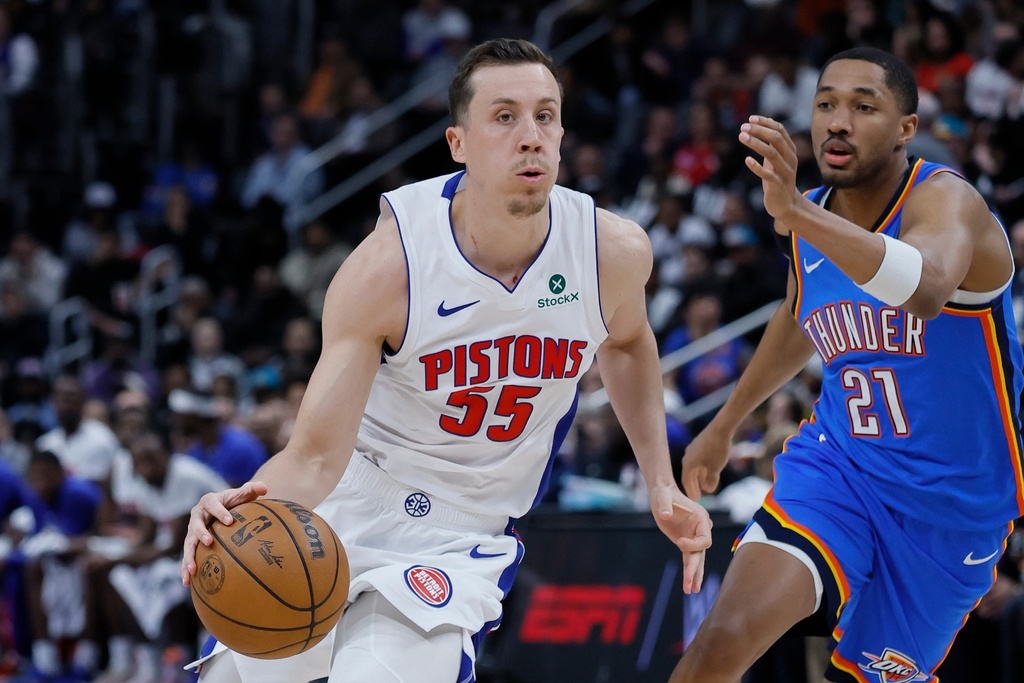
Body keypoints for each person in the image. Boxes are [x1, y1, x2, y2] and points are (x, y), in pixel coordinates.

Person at [181, 38, 712, 683]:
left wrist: (660, 481)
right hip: (346, 499)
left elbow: (627, 343)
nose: (530, 136)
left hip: (460, 533)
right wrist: (240, 504)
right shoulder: (390, 266)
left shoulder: (612, 253)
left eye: (545, 116)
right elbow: (316, 456)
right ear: (458, 143)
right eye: (505, 116)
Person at [671, 47, 1024, 683]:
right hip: (841, 469)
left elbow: (923, 287)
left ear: (906, 128)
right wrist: (725, 424)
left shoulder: (948, 203)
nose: (839, 120)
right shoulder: (807, 216)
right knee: (717, 645)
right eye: (827, 103)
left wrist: (797, 212)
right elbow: (799, 313)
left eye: (864, 107)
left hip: (950, 508)